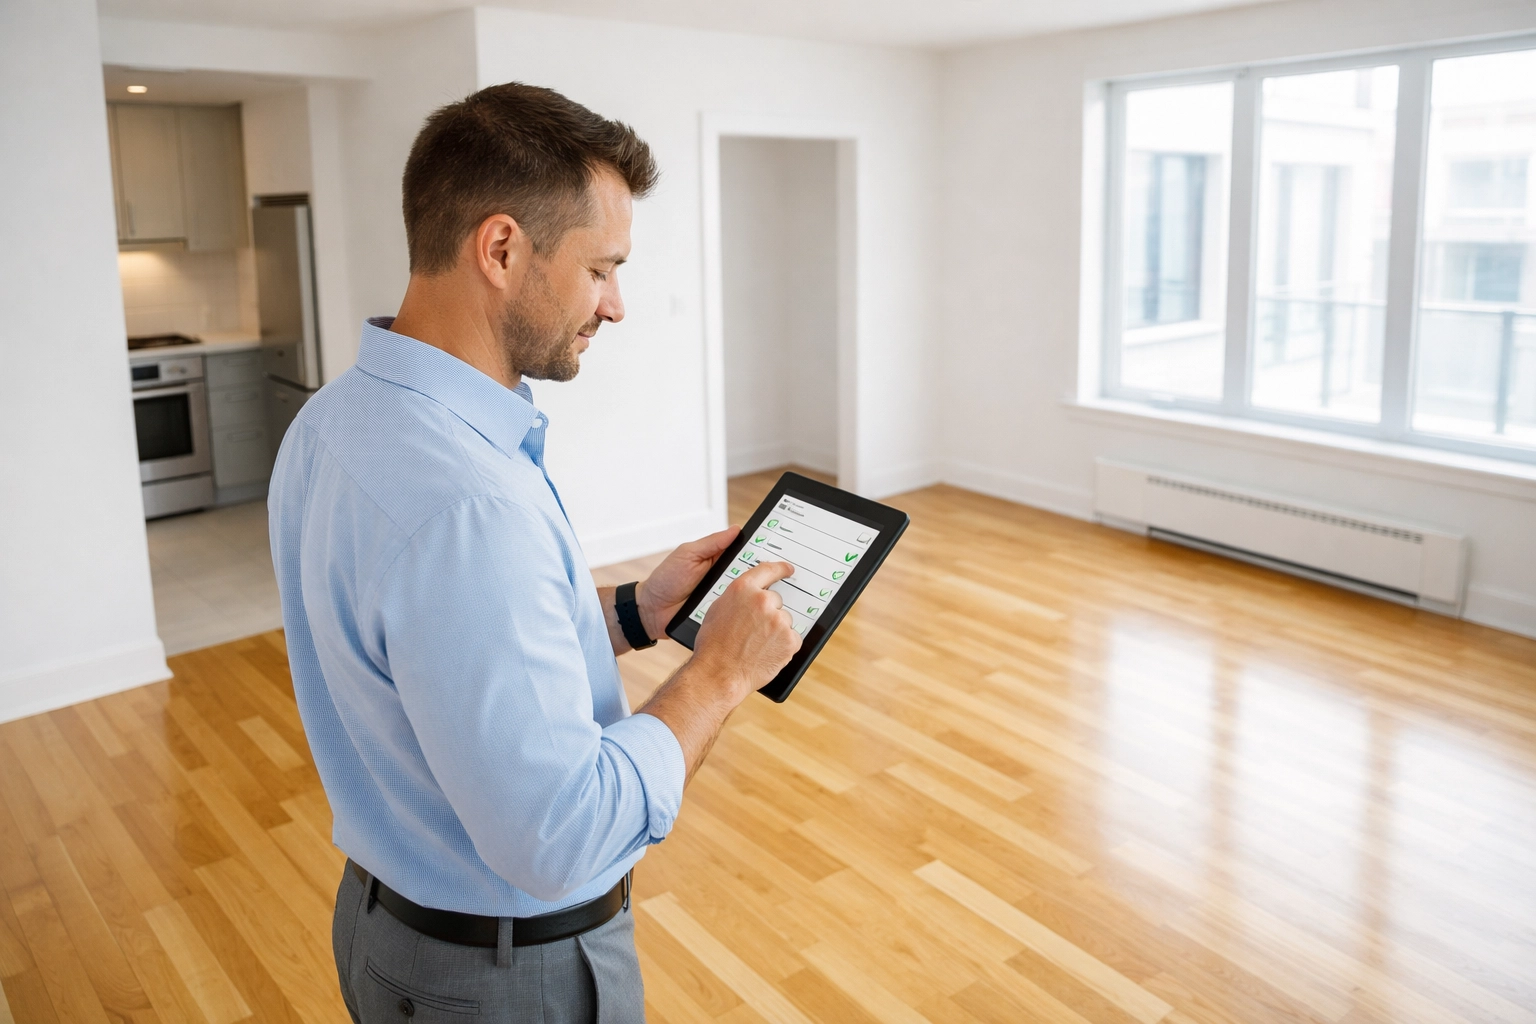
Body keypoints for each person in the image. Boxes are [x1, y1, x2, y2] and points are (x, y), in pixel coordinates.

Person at [268, 82, 802, 1023]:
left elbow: (440, 656)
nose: (617, 305)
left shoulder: (332, 421)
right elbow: (563, 837)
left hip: (385, 930)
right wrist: (719, 674)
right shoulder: (468, 505)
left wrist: (636, 612)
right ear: (503, 249)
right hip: (504, 981)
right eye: (601, 269)